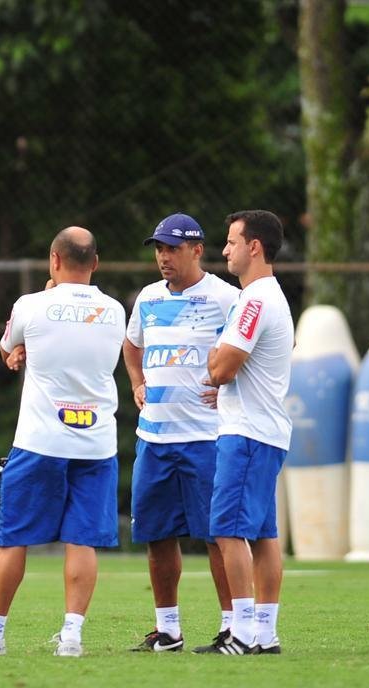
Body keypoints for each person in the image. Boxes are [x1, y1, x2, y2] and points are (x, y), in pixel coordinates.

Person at [0, 227, 125, 658]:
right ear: (95, 263)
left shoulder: (31, 305)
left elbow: (9, 347)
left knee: (14, 539)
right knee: (82, 540)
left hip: (41, 439)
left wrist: (17, 350)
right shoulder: (116, 310)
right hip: (96, 443)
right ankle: (72, 636)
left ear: (54, 260)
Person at [123, 213, 241, 653]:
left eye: (172, 248)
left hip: (206, 438)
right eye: (159, 248)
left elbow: (264, 344)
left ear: (197, 250)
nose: (163, 257)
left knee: (217, 537)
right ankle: (168, 629)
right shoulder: (149, 298)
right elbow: (131, 344)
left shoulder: (226, 298)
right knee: (156, 535)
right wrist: (137, 381)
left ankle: (233, 627)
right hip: (154, 438)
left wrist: (231, 387)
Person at [203, 210, 293, 654]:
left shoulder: (255, 300)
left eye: (232, 241)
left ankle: (239, 632)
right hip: (265, 431)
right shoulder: (270, 296)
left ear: (254, 246)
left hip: (248, 434)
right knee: (262, 534)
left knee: (227, 530)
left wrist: (215, 363)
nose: (225, 250)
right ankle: (265, 632)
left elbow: (221, 367)